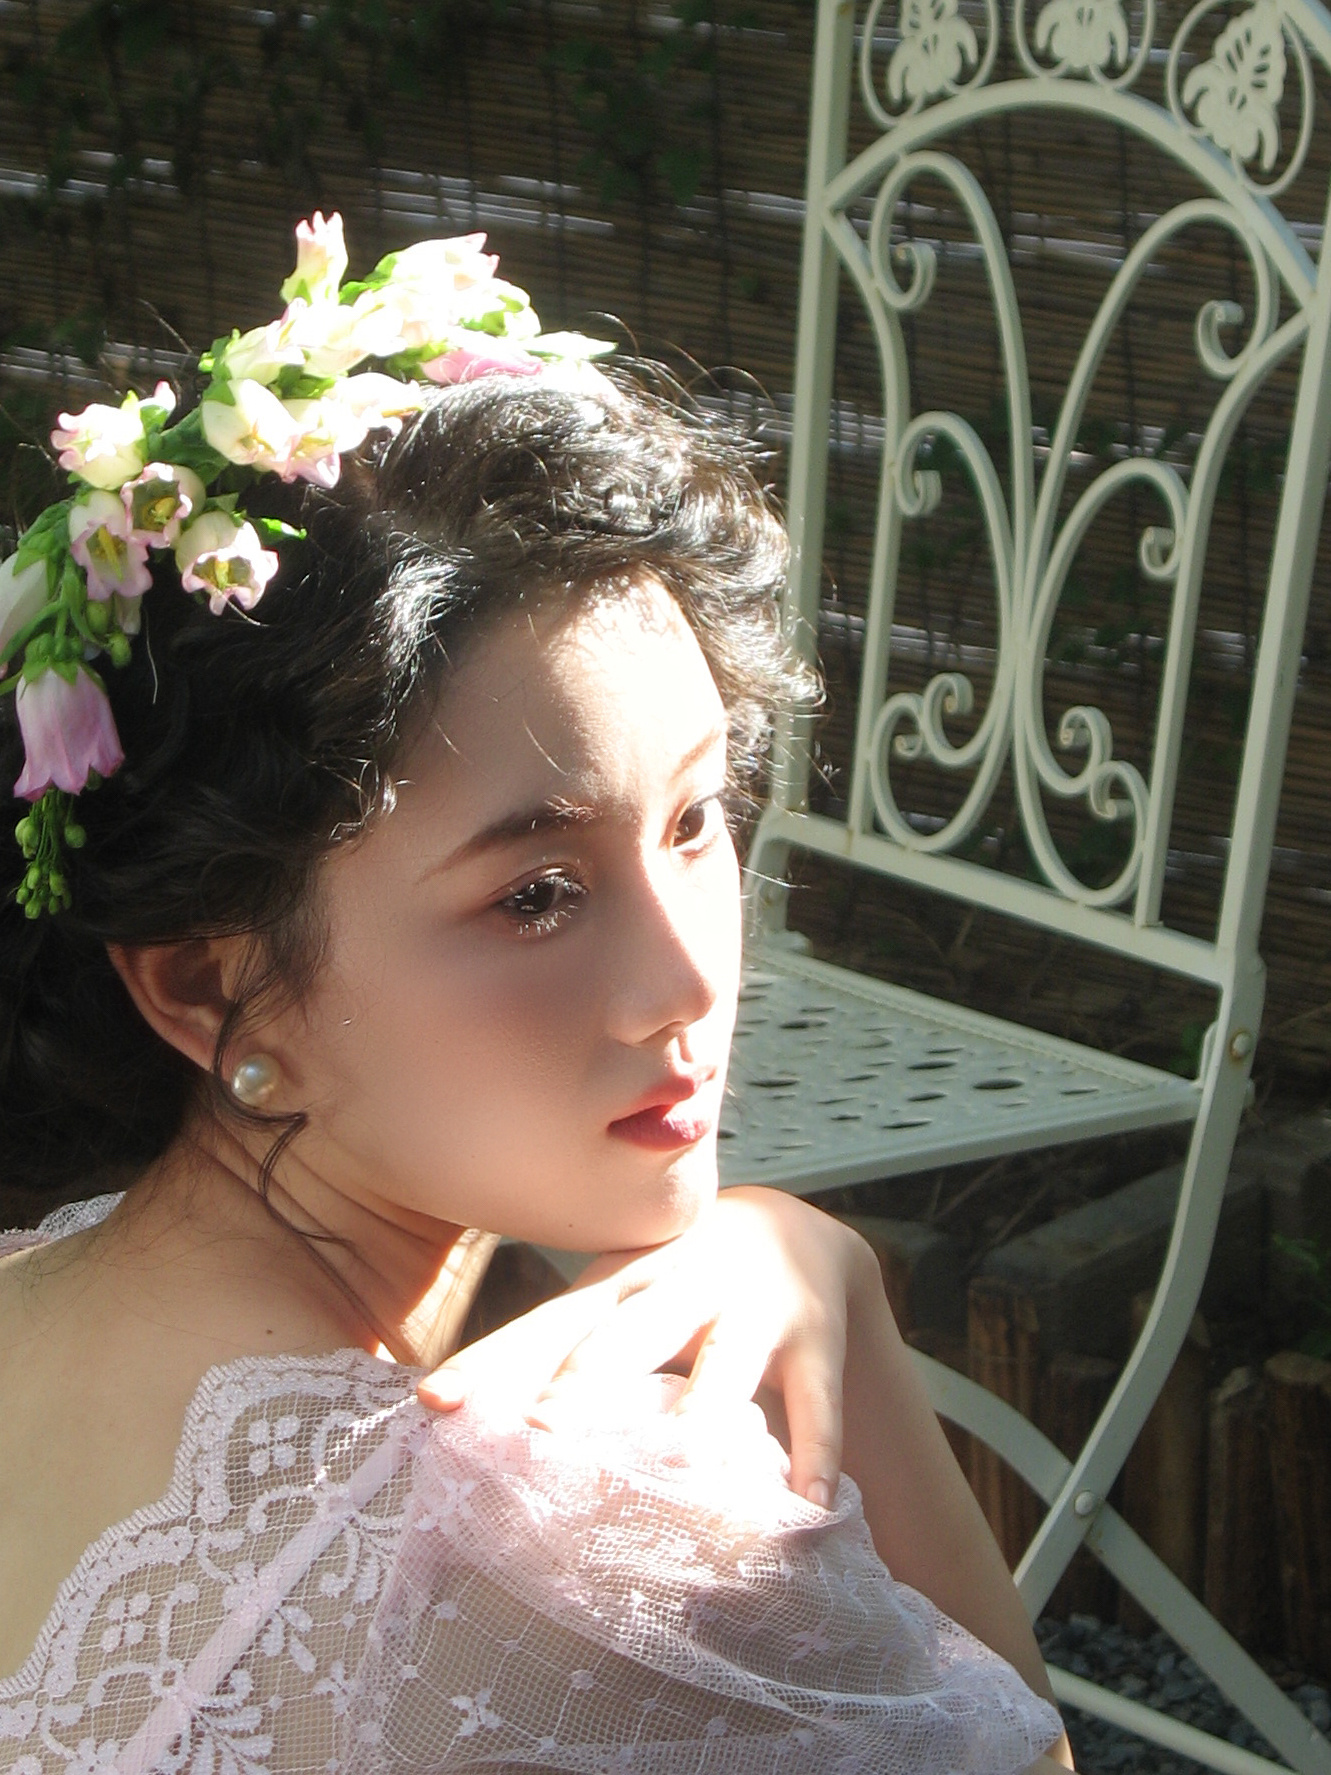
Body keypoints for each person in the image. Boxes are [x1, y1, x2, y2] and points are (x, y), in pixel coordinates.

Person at [0, 217, 1070, 1773]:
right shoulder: (600, 1573)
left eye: (696, 819)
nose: (689, 979)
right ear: (206, 986)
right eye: (536, 895)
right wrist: (843, 1295)